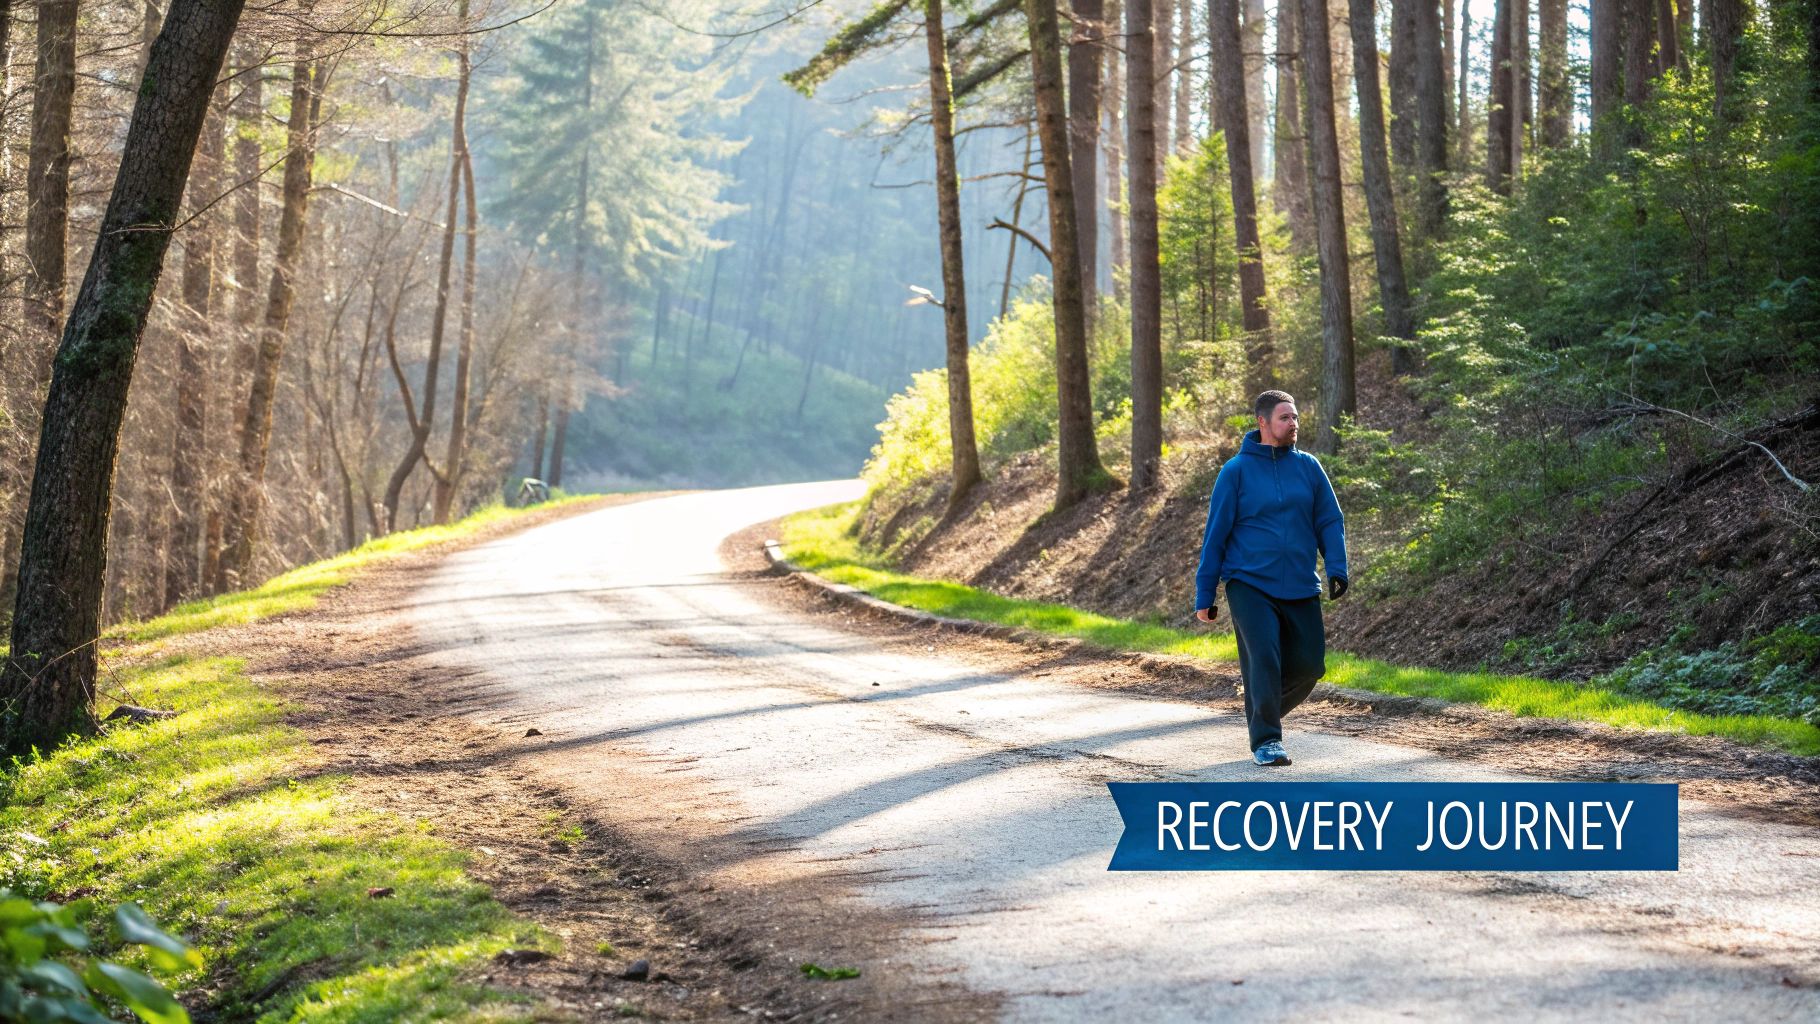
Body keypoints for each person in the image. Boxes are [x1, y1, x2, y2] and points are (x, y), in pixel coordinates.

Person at [1193, 390, 1348, 766]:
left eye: (1295, 417)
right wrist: (1205, 595)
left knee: (1311, 665)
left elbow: (1329, 519)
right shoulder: (1236, 472)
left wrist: (1336, 567)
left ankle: (1260, 710)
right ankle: (1267, 739)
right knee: (1264, 657)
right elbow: (1216, 534)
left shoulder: (1309, 467)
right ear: (1262, 422)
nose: (1293, 424)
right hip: (1249, 582)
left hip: (1299, 581)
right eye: (1285, 418)